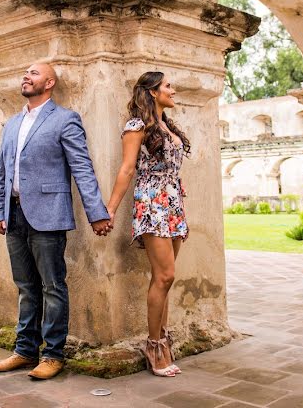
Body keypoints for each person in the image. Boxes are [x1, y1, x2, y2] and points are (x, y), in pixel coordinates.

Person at [0, 62, 113, 380]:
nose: (25, 76)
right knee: (25, 287)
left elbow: (82, 168)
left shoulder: (65, 120)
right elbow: (2, 172)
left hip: (48, 215)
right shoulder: (11, 124)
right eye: (24, 73)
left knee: (52, 286)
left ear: (49, 82)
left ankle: (53, 355)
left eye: (33, 73)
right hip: (14, 215)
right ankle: (24, 350)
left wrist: (96, 212)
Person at [105, 71, 190, 377]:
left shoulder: (167, 125)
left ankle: (163, 340)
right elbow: (127, 170)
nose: (174, 90)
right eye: (168, 85)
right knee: (165, 276)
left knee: (163, 277)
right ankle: (153, 344)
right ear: (153, 92)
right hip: (152, 203)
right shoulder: (136, 126)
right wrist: (111, 209)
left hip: (173, 203)